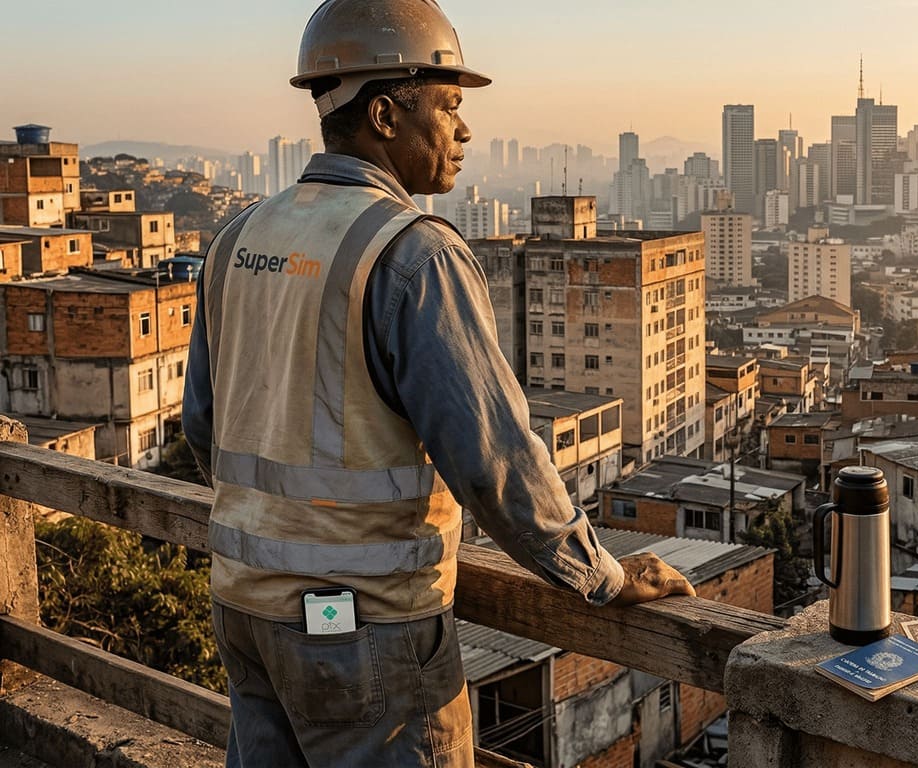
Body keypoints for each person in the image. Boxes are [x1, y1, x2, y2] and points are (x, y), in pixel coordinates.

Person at [181, 1, 695, 765]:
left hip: (245, 607)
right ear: (385, 114)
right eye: (448, 106)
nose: (464, 130)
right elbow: (495, 461)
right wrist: (601, 575)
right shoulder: (412, 254)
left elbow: (203, 428)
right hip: (362, 630)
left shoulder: (238, 237)